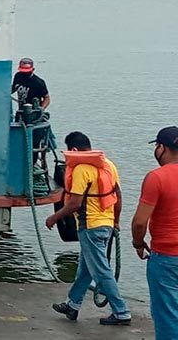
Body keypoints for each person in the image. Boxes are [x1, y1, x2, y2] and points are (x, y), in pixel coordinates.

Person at [46, 131, 131, 325]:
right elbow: (117, 196)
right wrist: (116, 221)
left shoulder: (80, 170)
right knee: (85, 270)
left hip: (90, 227)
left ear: (73, 149)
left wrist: (54, 217)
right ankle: (73, 305)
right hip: (106, 224)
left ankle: (121, 312)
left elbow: (75, 203)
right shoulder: (108, 165)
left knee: (101, 271)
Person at [131, 126, 178, 340]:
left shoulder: (156, 177)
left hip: (166, 257)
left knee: (167, 315)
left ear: (162, 148)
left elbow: (140, 222)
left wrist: (138, 243)